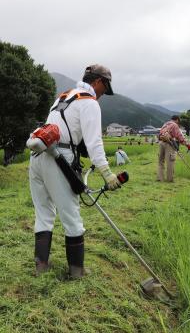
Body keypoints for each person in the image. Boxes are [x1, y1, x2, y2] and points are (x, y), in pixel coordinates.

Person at [29, 64, 121, 278]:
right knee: (71, 216)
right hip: (58, 158)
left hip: (37, 155)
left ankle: (41, 266)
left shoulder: (64, 97)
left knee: (43, 213)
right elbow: (94, 142)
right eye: (104, 89)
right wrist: (107, 173)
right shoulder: (88, 103)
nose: (102, 96)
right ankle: (77, 272)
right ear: (98, 82)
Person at [157, 115, 190, 182]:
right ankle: (169, 179)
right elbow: (179, 136)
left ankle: (160, 178)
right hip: (169, 144)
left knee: (161, 161)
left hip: (161, 143)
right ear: (177, 120)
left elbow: (159, 133)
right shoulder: (175, 125)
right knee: (170, 161)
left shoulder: (165, 124)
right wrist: (187, 145)